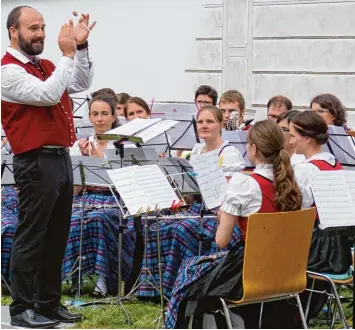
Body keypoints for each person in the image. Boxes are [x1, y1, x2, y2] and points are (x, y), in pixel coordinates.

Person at [1, 6, 95, 328]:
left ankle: (49, 304)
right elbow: (48, 94)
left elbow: (79, 81)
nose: (41, 34)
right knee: (31, 236)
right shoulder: (8, 71)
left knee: (56, 235)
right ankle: (22, 308)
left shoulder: (49, 65)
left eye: (42, 27)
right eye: (33, 28)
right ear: (14, 32)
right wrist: (67, 55)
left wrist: (80, 48)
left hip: (59, 158)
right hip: (34, 160)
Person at [164, 119, 304, 328]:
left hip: (250, 272)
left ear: (253, 148)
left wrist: (224, 215)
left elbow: (221, 241)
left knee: (189, 268)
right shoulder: (291, 182)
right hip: (288, 272)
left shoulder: (244, 183)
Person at [137, 106, 245, 299]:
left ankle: (181, 287)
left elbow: (228, 196)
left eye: (210, 121)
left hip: (219, 213)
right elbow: (189, 193)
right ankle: (154, 288)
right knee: (155, 224)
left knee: (182, 228)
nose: (204, 125)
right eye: (200, 122)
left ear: (221, 124)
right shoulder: (196, 150)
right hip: (196, 207)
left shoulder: (229, 153)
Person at [289, 111, 352, 274]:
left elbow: (298, 211)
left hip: (316, 248)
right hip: (340, 247)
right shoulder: (333, 163)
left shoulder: (305, 169)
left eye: (293, 136)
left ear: (308, 138)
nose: (291, 141)